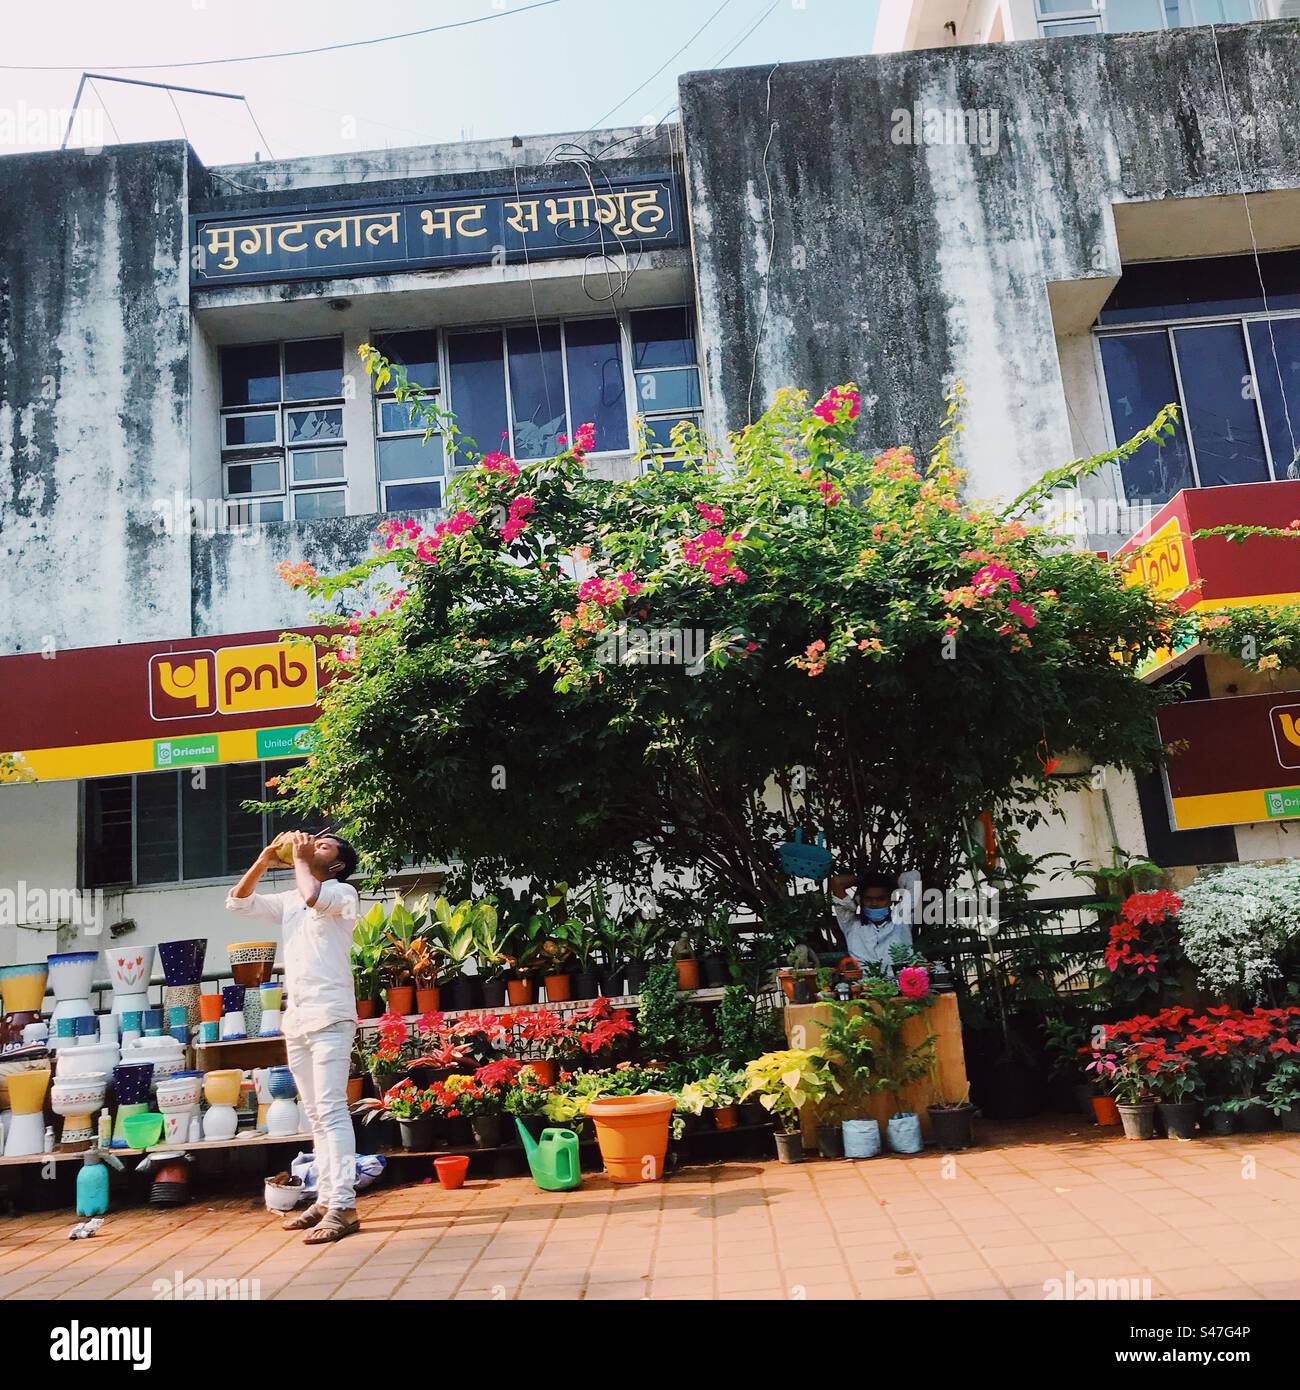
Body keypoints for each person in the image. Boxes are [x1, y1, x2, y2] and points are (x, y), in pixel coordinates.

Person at [227, 829, 361, 1244]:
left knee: (332, 1110)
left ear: (335, 865)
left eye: (323, 847)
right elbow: (238, 902)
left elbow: (313, 897)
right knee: (316, 1114)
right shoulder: (289, 900)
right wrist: (267, 858)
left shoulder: (343, 893)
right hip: (299, 1019)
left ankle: (343, 1206)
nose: (311, 847)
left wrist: (301, 859)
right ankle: (324, 1198)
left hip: (332, 1017)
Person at [829, 866, 915, 976]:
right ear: (861, 900)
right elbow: (837, 882)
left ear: (890, 900)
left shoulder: (902, 919)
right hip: (864, 987)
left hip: (901, 986)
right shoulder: (850, 923)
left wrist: (884, 880)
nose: (874, 904)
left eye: (880, 899)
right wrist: (864, 880)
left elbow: (913, 876)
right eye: (868, 899)